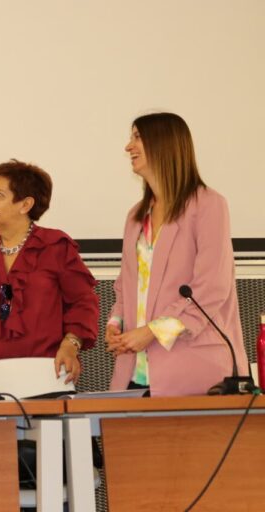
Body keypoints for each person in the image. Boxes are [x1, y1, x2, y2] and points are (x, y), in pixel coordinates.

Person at [105, 112, 247, 397]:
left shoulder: (209, 205)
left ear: (163, 144)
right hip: (135, 373)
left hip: (196, 372)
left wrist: (153, 331)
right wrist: (115, 323)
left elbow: (210, 288)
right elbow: (126, 284)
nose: (128, 147)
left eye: (137, 137)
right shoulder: (136, 215)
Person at [0, 160, 98, 388]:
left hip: (49, 372)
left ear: (25, 204)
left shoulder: (54, 246)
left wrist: (70, 344)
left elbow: (83, 303)